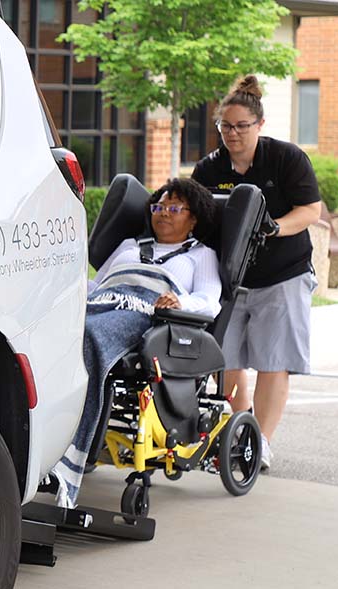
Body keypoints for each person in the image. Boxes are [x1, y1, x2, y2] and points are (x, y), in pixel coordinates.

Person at [53, 177, 221, 507]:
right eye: (159, 206)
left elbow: (209, 301)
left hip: (146, 313)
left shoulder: (200, 255)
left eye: (174, 207)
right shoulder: (130, 245)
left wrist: (179, 303)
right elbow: (98, 284)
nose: (164, 213)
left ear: (194, 218)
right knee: (54, 333)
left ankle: (65, 457)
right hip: (102, 302)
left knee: (88, 338)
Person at [192, 75, 321, 471]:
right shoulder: (209, 169)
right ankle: (240, 433)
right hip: (233, 279)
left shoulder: (286, 159)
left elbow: (310, 211)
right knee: (227, 359)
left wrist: (275, 226)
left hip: (283, 274)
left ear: (259, 125)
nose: (233, 134)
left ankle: (261, 442)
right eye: (225, 126)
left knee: (272, 360)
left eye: (241, 126)